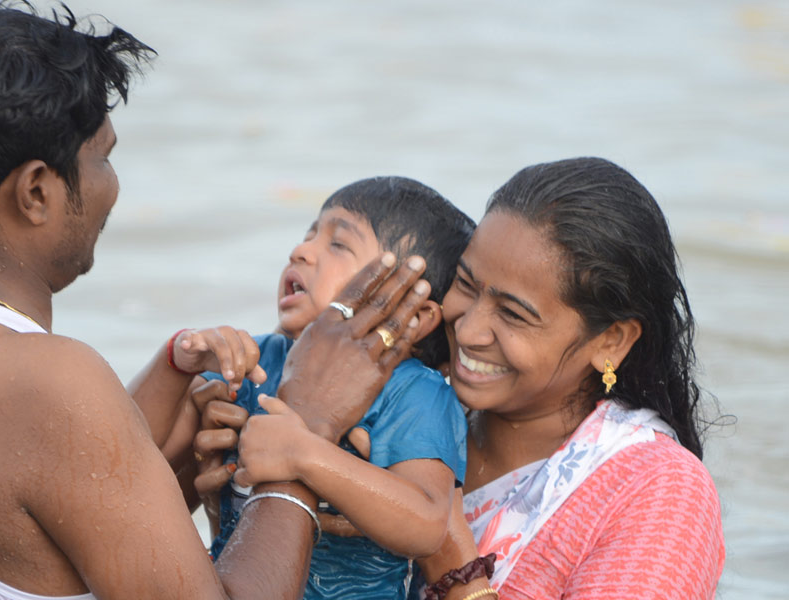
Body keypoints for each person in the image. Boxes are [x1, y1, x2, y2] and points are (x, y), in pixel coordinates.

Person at [0, 1, 435, 598]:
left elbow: (60, 486)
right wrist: (309, 421)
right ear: (36, 192)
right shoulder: (46, 380)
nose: (111, 185)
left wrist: (173, 376)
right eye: (103, 155)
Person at [233, 157, 726, 600]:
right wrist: (239, 482)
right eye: (466, 284)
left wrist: (451, 565)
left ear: (611, 341)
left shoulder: (659, 493)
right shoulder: (405, 410)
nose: (467, 329)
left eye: (513, 314)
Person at [145, 177, 475, 600]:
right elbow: (136, 462)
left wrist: (306, 454)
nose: (300, 251)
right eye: (309, 234)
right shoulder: (257, 359)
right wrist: (177, 366)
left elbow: (427, 523)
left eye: (338, 244)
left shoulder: (416, 394)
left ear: (414, 316)